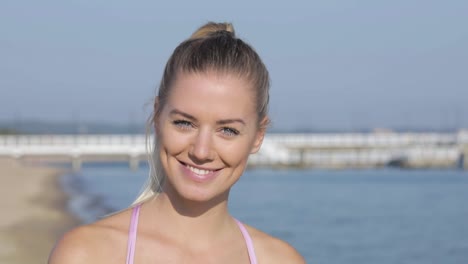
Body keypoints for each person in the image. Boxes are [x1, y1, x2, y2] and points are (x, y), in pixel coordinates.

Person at [49, 22, 305, 264]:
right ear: (158, 116)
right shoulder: (88, 254)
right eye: (185, 123)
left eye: (227, 130)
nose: (201, 151)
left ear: (258, 137)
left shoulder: (280, 260)